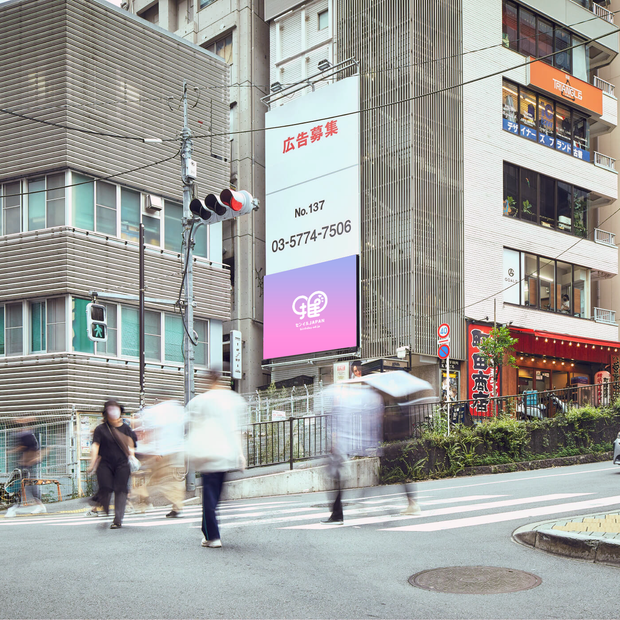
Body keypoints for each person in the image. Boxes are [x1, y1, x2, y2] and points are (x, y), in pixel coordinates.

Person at [186, 372, 246, 548]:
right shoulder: (232, 400)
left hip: (208, 454)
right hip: (226, 455)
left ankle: (213, 536)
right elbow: (236, 430)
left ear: (208, 380)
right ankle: (211, 534)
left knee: (209, 497)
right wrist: (240, 454)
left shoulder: (201, 401)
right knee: (215, 495)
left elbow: (192, 426)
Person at [321, 383, 383, 524]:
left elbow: (340, 431)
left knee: (336, 482)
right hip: (343, 450)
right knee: (337, 482)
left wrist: (335, 446)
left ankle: (337, 514)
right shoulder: (344, 409)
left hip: (341, 451)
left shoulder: (341, 410)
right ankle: (337, 513)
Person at [87, 400, 137, 529]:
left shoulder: (126, 428)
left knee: (121, 490)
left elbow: (132, 445)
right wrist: (92, 463)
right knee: (105, 487)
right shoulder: (100, 429)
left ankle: (118, 519)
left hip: (122, 464)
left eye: (116, 408)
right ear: (106, 412)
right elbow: (95, 446)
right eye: (111, 409)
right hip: (105, 463)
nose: (114, 411)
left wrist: (132, 456)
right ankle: (104, 509)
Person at [132, 400, 186, 518]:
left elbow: (152, 432)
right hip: (175, 450)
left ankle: (143, 502)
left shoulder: (153, 412)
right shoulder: (176, 408)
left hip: (161, 452)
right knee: (169, 479)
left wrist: (156, 452)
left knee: (153, 478)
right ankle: (177, 505)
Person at [6, 417, 47, 517]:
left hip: (26, 464)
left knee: (26, 484)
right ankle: (39, 505)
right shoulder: (25, 434)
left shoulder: (26, 435)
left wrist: (11, 451)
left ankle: (15, 507)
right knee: (25, 484)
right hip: (25, 464)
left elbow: (25, 448)